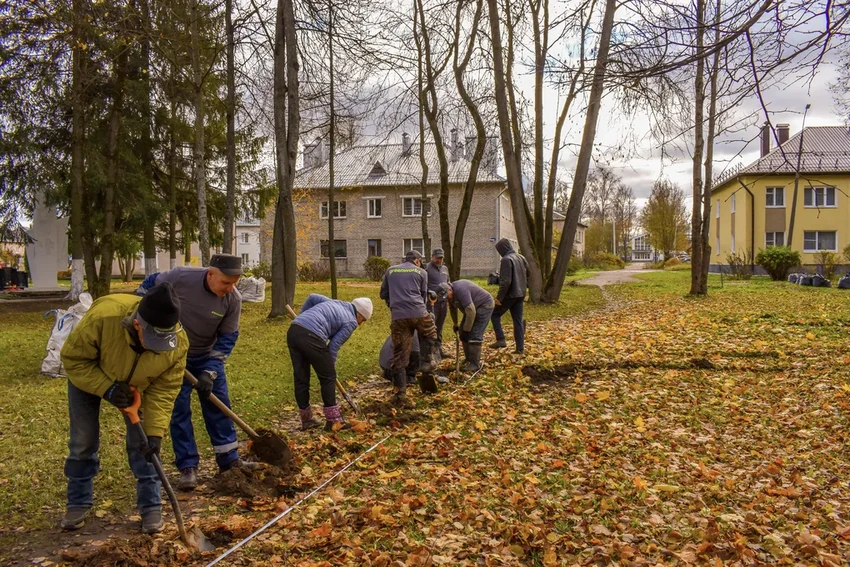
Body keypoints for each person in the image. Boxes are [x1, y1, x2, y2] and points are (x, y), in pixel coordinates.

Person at [59, 283, 188, 534]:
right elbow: (73, 360)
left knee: (144, 447)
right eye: (153, 340)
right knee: (83, 441)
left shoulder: (179, 343)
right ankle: (77, 502)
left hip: (139, 385)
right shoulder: (104, 317)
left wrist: (155, 433)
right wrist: (107, 388)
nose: (156, 347)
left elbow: (165, 390)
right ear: (138, 324)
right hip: (90, 376)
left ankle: (151, 507)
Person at [136, 254, 246, 491]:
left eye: (234, 283)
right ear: (211, 273)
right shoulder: (181, 276)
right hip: (173, 355)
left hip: (205, 354)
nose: (230, 288)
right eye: (226, 283)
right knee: (178, 409)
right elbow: (149, 286)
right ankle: (188, 467)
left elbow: (227, 340)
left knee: (219, 405)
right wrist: (140, 312)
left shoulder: (233, 300)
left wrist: (210, 372)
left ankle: (229, 459)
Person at [289, 294, 373, 431]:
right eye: (362, 320)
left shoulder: (336, 303)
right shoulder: (351, 322)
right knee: (328, 377)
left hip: (294, 330)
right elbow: (333, 347)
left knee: (301, 377)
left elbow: (312, 297)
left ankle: (307, 420)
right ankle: (333, 421)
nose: (360, 324)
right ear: (359, 314)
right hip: (312, 336)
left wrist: (301, 317)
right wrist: (330, 369)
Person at [379, 250, 439, 404]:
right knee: (430, 332)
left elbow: (383, 294)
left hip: (398, 316)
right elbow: (423, 296)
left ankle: (400, 394)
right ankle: (426, 363)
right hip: (418, 312)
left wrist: (394, 305)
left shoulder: (390, 270)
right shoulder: (421, 272)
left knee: (399, 354)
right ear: (417, 261)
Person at [440, 280, 494, 372]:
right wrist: (456, 324)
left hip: (484, 305)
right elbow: (453, 309)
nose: (447, 299)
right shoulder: (450, 296)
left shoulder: (461, 290)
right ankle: (468, 358)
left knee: (474, 335)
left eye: (447, 296)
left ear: (450, 289)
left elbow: (471, 311)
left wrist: (467, 330)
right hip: (472, 309)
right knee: (462, 332)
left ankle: (475, 364)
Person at [490, 238, 529, 354]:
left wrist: (499, 298)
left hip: (510, 295)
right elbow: (529, 273)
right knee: (517, 320)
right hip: (521, 293)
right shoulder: (521, 257)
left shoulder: (506, 260)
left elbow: (506, 282)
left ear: (502, 249)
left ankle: (501, 339)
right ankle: (520, 348)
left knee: (494, 315)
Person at [425, 248, 451, 358]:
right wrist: (434, 290)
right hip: (432, 302)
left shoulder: (445, 268)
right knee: (431, 326)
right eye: (437, 258)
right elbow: (422, 285)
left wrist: (448, 286)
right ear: (432, 256)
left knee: (440, 326)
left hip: (443, 302)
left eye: (441, 258)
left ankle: (438, 347)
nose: (439, 260)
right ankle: (429, 350)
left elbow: (448, 281)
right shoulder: (426, 269)